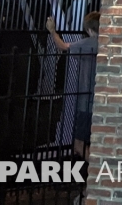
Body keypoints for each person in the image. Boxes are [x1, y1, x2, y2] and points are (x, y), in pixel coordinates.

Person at [47, 11, 101, 158]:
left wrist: (52, 31)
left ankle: (100, 174)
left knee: (79, 145)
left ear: (89, 29)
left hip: (85, 102)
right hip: (100, 102)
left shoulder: (89, 43)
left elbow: (63, 46)